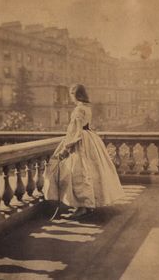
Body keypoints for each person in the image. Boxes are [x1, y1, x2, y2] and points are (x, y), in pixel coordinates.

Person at [43, 84, 125, 219]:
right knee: (88, 173)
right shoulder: (87, 108)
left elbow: (75, 131)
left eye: (71, 94)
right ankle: (87, 205)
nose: (71, 97)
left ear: (76, 94)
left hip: (80, 142)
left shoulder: (78, 109)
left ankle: (82, 207)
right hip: (90, 139)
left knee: (78, 174)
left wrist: (65, 148)